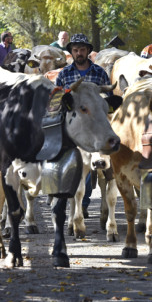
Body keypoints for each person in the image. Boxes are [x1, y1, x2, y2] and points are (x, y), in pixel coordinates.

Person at [55, 33, 111, 218]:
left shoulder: (100, 73)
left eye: (82, 49)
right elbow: (55, 101)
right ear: (71, 52)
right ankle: (64, 199)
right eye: (75, 50)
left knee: (95, 160)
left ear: (88, 51)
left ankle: (85, 203)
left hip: (95, 125)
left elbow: (107, 101)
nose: (79, 53)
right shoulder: (64, 74)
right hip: (72, 125)